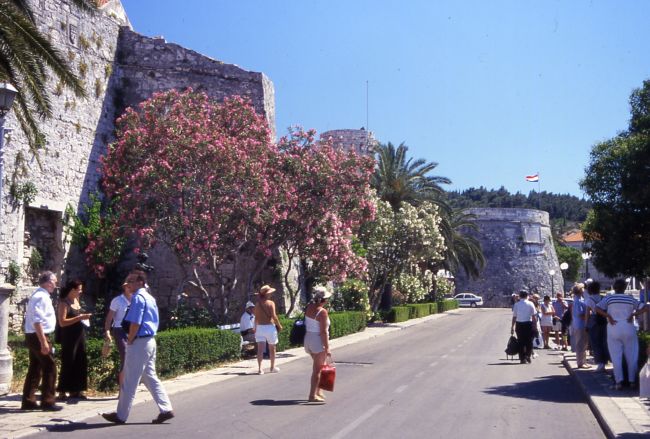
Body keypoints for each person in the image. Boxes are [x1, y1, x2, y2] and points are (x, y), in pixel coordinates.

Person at [102, 271, 174, 424]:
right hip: (149, 341)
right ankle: (166, 408)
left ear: (140, 282)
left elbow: (135, 322)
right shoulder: (150, 298)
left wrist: (130, 339)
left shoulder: (138, 298)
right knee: (150, 377)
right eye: (128, 281)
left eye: (132, 281)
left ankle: (121, 415)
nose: (128, 284)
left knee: (129, 380)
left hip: (139, 342)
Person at [21, 271, 63, 411]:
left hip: (34, 335)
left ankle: (28, 400)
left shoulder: (39, 295)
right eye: (54, 281)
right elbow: (37, 321)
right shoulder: (41, 297)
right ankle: (48, 401)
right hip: (39, 335)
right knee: (50, 367)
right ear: (48, 282)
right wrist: (44, 341)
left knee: (35, 367)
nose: (55, 284)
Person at [596, 278, 648, 390]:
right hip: (628, 327)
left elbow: (597, 308)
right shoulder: (630, 298)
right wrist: (633, 314)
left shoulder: (609, 298)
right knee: (632, 356)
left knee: (616, 356)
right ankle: (632, 381)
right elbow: (645, 307)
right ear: (625, 288)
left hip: (613, 327)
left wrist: (608, 316)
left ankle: (618, 382)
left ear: (614, 287)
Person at [56, 280, 92, 400]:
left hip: (79, 334)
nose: (81, 292)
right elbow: (62, 322)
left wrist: (83, 318)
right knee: (68, 361)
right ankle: (62, 391)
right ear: (72, 290)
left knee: (80, 360)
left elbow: (78, 316)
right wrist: (79, 317)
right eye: (79, 290)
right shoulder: (63, 303)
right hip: (69, 336)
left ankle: (77, 389)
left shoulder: (76, 300)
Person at [304, 286, 332, 402]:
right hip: (317, 340)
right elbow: (323, 332)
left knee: (323, 366)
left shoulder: (309, 307)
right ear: (324, 300)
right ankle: (312, 396)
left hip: (308, 338)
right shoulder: (322, 312)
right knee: (318, 370)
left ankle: (319, 391)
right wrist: (327, 347)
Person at [103, 286, 133, 385]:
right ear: (125, 288)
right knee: (125, 354)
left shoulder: (136, 299)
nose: (131, 288)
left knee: (133, 356)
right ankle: (123, 386)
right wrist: (107, 331)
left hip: (133, 330)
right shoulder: (117, 300)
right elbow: (109, 317)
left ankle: (130, 383)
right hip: (119, 329)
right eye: (128, 286)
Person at [254, 284, 283, 375]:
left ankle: (260, 369)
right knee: (272, 348)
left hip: (260, 328)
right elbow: (274, 316)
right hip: (269, 327)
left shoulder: (257, 304)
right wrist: (279, 325)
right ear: (267, 294)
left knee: (260, 349)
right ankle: (272, 367)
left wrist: (255, 327)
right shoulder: (271, 303)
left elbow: (256, 318)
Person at [584, 281, 609, 372]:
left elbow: (587, 314)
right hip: (604, 320)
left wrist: (586, 325)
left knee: (595, 343)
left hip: (594, 321)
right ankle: (605, 362)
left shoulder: (589, 300)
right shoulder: (604, 298)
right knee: (604, 342)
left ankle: (600, 364)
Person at [511, 290, 537, 364]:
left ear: (520, 296)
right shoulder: (531, 303)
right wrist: (534, 326)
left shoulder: (517, 304)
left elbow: (514, 317)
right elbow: (534, 316)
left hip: (519, 324)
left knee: (521, 342)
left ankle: (522, 358)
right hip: (528, 324)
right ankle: (528, 356)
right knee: (529, 342)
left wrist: (512, 327)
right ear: (526, 296)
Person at [571, 284, 590, 368]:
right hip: (580, 325)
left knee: (583, 344)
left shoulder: (577, 300)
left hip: (578, 324)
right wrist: (589, 315)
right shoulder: (579, 301)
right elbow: (580, 314)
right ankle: (580, 363)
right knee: (580, 344)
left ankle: (583, 361)